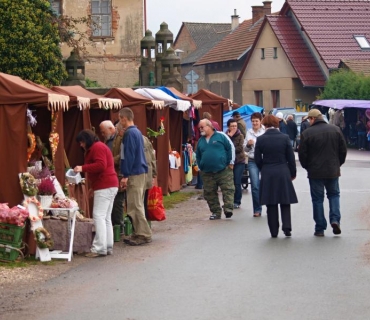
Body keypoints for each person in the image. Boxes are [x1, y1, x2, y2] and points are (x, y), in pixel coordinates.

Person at [298, 109, 347, 237]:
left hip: (315, 172)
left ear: (313, 119)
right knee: (334, 195)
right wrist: (338, 164)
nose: (309, 121)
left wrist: (307, 167)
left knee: (317, 200)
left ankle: (320, 228)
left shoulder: (307, 133)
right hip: (332, 170)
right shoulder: (335, 130)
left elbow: (302, 154)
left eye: (309, 119)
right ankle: (335, 220)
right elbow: (343, 150)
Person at [74, 129, 118, 257]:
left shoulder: (97, 147)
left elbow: (100, 165)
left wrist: (82, 168)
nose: (81, 145)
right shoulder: (100, 146)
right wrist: (93, 187)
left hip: (105, 185)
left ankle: (99, 248)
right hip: (109, 184)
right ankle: (108, 245)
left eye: (82, 142)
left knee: (98, 216)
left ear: (87, 140)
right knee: (106, 217)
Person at [255, 115, 298, 238]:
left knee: (271, 202)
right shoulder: (285, 138)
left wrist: (264, 168)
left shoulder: (261, 139)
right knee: (285, 200)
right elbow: (291, 158)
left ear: (265, 124)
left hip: (268, 171)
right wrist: (292, 173)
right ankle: (287, 227)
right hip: (283, 170)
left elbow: (258, 159)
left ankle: (274, 231)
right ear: (277, 124)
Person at [118, 107, 151, 246]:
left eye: (120, 119)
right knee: (136, 204)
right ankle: (138, 232)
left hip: (134, 173)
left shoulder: (130, 134)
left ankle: (143, 234)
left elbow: (128, 155)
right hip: (140, 171)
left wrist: (125, 175)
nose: (119, 122)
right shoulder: (137, 132)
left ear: (124, 119)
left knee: (135, 205)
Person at [196, 119, 235, 220]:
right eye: (199, 127)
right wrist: (200, 166)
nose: (200, 129)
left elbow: (230, 148)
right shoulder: (201, 141)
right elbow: (198, 154)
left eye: (202, 127)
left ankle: (228, 209)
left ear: (209, 126)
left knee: (228, 189)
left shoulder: (221, 136)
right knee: (209, 192)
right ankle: (215, 212)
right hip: (207, 172)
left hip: (223, 170)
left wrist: (230, 162)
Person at [244, 112, 265, 217]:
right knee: (255, 185)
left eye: (256, 121)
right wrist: (248, 144)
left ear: (260, 121)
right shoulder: (249, 132)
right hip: (253, 160)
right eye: (253, 121)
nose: (254, 123)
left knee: (266, 184)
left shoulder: (265, 131)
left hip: (265, 160)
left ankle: (270, 206)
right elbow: (245, 148)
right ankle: (257, 209)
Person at [226, 118, 245, 209]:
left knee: (237, 181)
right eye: (232, 126)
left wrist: (231, 149)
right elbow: (224, 147)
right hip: (228, 162)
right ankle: (229, 201)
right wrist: (229, 137)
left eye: (235, 126)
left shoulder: (240, 136)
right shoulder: (225, 136)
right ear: (228, 127)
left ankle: (237, 201)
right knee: (229, 182)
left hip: (239, 161)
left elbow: (239, 148)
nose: (234, 128)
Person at [110, 122, 125, 233]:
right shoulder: (115, 138)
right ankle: (117, 225)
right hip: (116, 172)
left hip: (120, 173)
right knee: (116, 202)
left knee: (118, 202)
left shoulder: (123, 139)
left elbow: (122, 156)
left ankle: (120, 226)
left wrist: (111, 160)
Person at [143, 135, 157, 219]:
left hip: (140, 173)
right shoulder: (145, 139)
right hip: (147, 171)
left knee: (140, 201)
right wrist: (154, 173)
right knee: (144, 199)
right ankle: (145, 220)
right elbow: (152, 157)